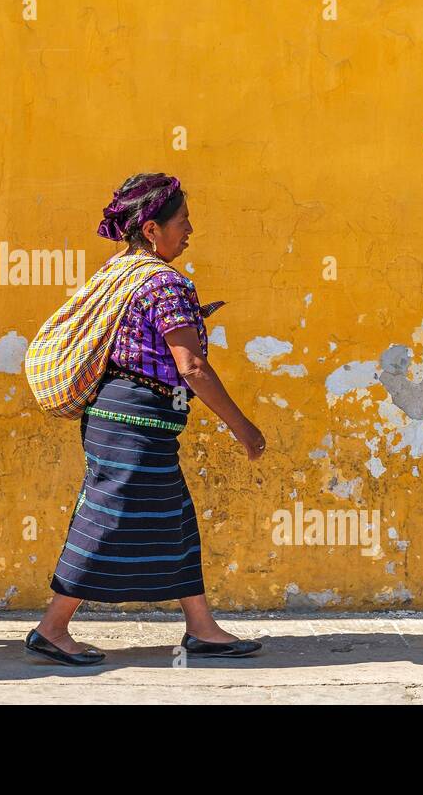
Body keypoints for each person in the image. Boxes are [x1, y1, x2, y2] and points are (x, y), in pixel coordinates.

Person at [26, 173, 267, 666]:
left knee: (174, 518)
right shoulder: (165, 283)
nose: (190, 231)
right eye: (183, 222)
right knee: (107, 518)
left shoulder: (120, 273)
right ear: (152, 229)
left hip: (121, 417)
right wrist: (241, 425)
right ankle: (52, 628)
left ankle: (201, 626)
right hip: (133, 422)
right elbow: (193, 367)